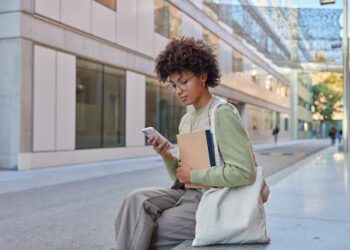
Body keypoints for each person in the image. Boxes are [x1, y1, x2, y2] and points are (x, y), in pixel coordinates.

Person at [114, 37, 267, 250]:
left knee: (146, 229)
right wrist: (167, 155)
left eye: (184, 82)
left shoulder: (221, 113)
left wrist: (193, 176)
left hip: (213, 200)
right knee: (135, 200)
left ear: (203, 76)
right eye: (174, 85)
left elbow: (244, 172)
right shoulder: (187, 120)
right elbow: (182, 177)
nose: (178, 90)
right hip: (188, 193)